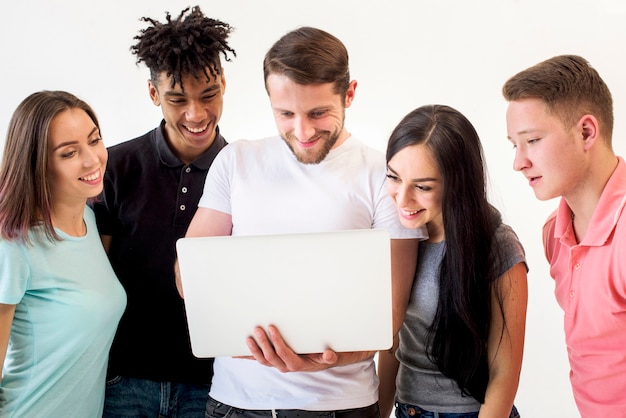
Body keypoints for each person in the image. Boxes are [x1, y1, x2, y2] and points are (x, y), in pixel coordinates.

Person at [182, 26, 424, 417]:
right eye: (285, 114)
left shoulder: (386, 174)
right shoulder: (236, 160)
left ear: (350, 94)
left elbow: (389, 319)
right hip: (235, 403)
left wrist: (327, 360)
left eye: (318, 113)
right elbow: (189, 274)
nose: (303, 131)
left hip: (338, 407)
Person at [90, 6, 235, 417]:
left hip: (210, 384)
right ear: (154, 94)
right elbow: (92, 277)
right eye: (177, 99)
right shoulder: (111, 168)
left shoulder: (244, 174)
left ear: (224, 83)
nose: (196, 114)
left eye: (208, 95)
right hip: (123, 381)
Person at [378, 104, 528, 418]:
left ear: (457, 184)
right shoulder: (399, 238)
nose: (402, 199)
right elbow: (391, 344)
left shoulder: (498, 246)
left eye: (422, 186)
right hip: (409, 410)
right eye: (394, 177)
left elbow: (505, 372)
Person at [503, 54, 626, 417]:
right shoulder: (553, 234)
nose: (518, 162)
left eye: (533, 140)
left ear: (587, 132)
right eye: (514, 144)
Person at [0, 90, 126, 416]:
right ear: (37, 163)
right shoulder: (13, 244)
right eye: (69, 153)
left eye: (94, 140)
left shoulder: (88, 218)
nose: (91, 159)